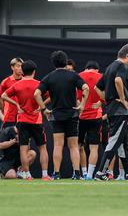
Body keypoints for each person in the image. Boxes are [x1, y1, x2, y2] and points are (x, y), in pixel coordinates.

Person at [36, 50, 89, 180]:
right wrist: (82, 105)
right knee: (73, 146)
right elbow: (86, 88)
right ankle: (77, 173)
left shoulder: (49, 77)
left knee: (58, 145)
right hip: (72, 114)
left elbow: (36, 94)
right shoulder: (73, 75)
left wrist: (44, 109)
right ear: (65, 62)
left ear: (53, 63)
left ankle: (57, 173)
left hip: (57, 115)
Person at [94, 44, 128, 180]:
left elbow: (97, 87)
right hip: (120, 111)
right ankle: (100, 173)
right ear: (127, 56)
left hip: (113, 109)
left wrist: (108, 99)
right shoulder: (121, 66)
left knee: (122, 144)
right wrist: (122, 99)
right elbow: (118, 80)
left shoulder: (110, 67)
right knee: (114, 141)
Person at [0, 60, 45, 179]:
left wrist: (17, 104)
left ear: (23, 72)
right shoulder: (39, 84)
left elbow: (3, 95)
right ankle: (45, 174)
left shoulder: (17, 85)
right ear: (34, 72)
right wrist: (42, 106)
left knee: (23, 148)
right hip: (36, 121)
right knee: (42, 148)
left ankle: (26, 174)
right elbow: (50, 96)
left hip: (22, 120)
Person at [77, 61, 105, 179]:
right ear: (96, 69)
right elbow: (107, 94)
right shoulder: (101, 76)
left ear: (86, 68)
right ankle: (89, 174)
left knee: (77, 146)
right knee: (94, 147)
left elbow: (73, 95)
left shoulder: (79, 76)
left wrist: (79, 104)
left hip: (81, 116)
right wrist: (101, 102)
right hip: (95, 116)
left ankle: (80, 172)